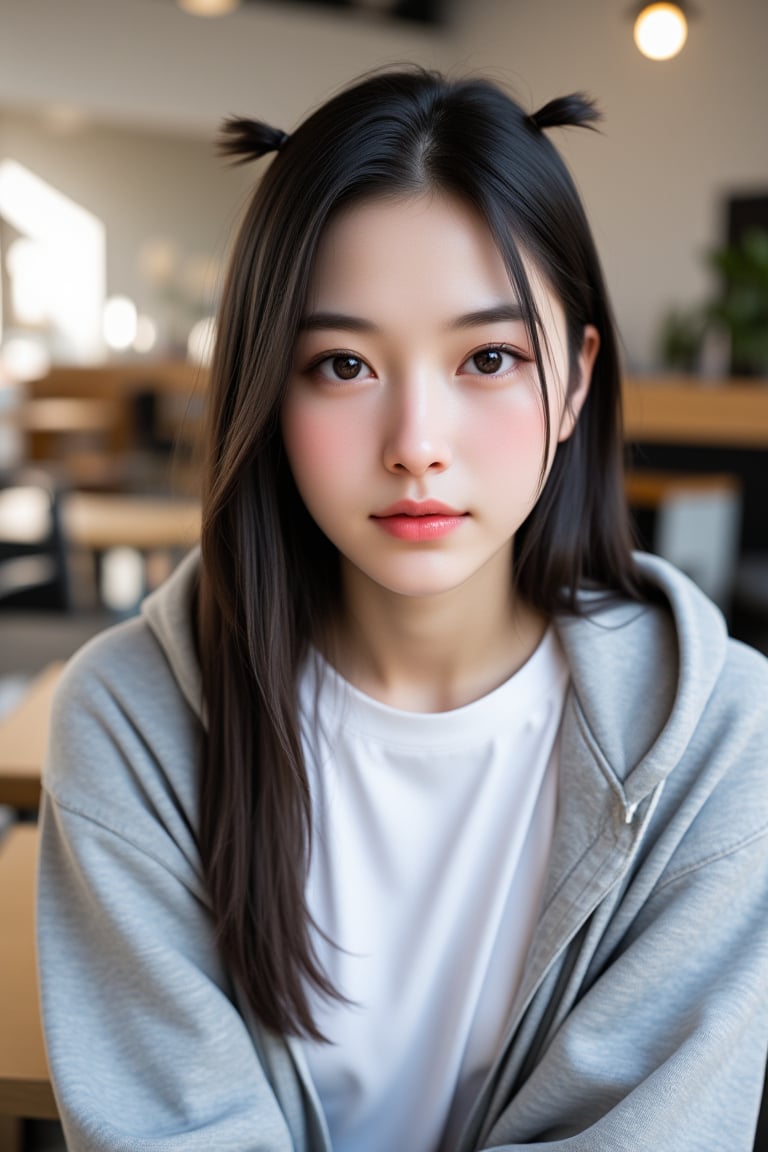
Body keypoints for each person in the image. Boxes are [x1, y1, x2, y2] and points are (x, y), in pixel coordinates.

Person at [37, 68, 768, 1152]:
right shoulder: (131, 721)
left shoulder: (721, 742)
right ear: (264, 393)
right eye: (341, 364)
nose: (416, 441)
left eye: (488, 358)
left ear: (573, 383)